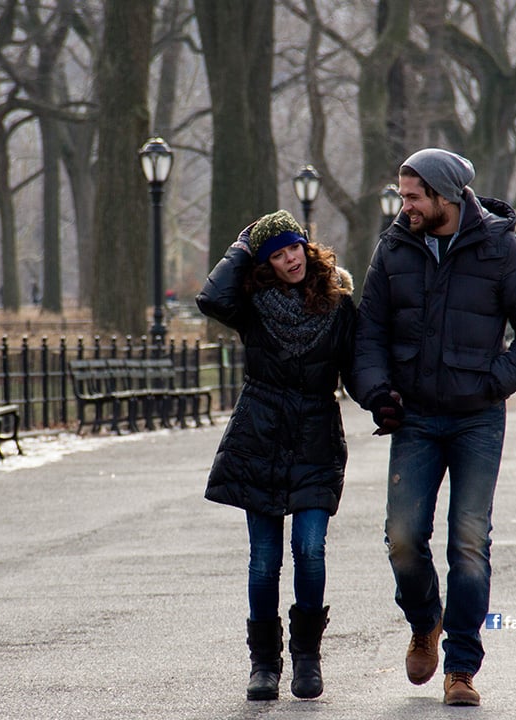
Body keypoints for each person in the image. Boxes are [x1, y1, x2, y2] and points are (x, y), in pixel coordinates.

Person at [353, 148, 516, 706]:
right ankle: (425, 625)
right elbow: (367, 332)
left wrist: (494, 382)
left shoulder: (501, 249)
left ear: (445, 196)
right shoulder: (394, 247)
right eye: (402, 195)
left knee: (469, 543)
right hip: (413, 417)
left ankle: (462, 668)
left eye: (414, 196)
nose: (405, 206)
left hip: (476, 419)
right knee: (402, 539)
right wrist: (377, 393)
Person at [195, 209, 359, 701]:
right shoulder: (252, 304)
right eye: (277, 254)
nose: (290, 260)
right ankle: (264, 663)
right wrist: (241, 247)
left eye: (294, 249)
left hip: (315, 436)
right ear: (265, 263)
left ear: (307, 249)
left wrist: (386, 402)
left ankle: (307, 656)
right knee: (264, 560)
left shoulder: (340, 305)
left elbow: (360, 366)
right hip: (260, 437)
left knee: (309, 549)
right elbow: (210, 298)